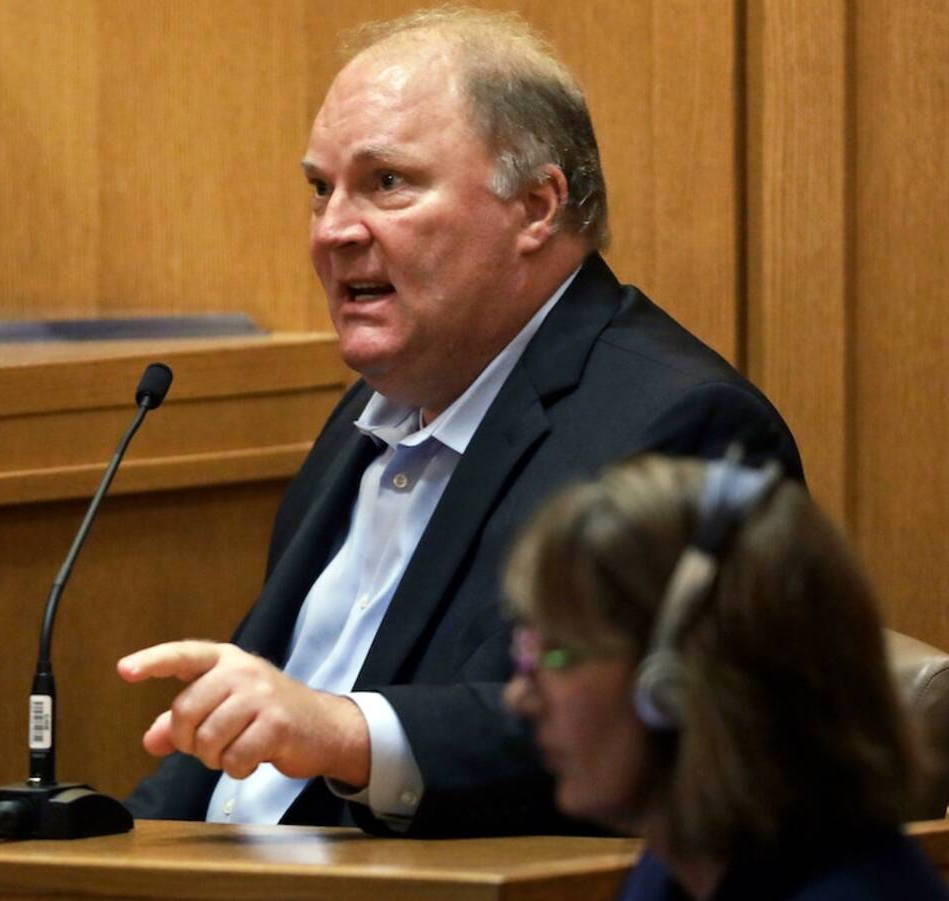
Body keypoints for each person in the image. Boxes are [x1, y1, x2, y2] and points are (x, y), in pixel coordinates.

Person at [118, 6, 803, 837]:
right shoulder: (365, 420)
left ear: (537, 206)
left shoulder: (683, 423)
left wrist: (345, 732)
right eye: (319, 189)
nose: (334, 229)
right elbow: (244, 749)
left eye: (387, 183)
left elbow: (634, 723)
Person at [504, 453, 947, 899]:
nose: (519, 697)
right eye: (526, 655)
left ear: (673, 685)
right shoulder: (675, 871)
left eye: (559, 656)